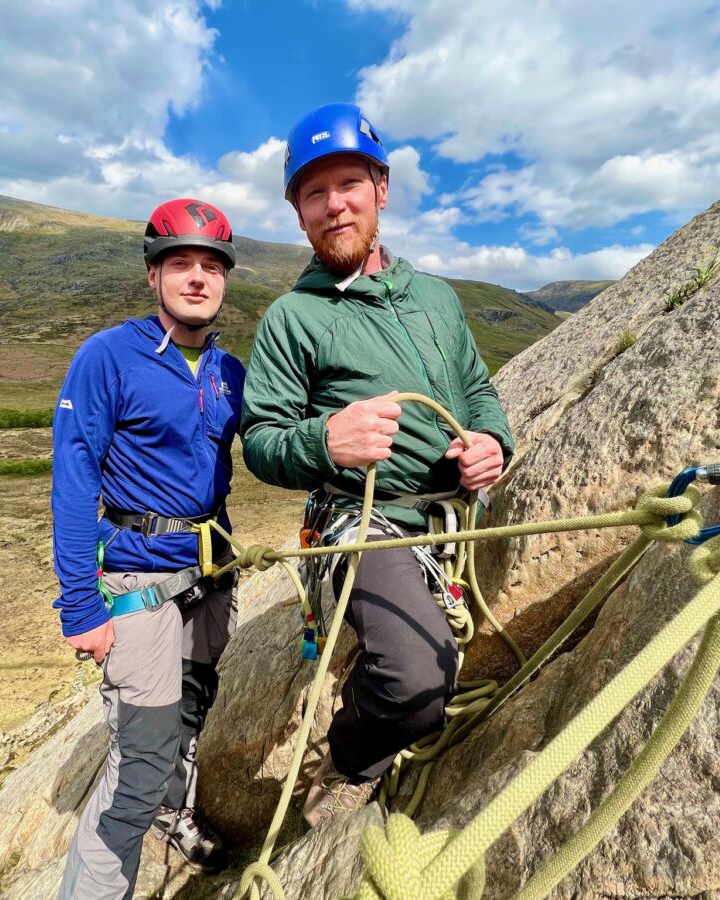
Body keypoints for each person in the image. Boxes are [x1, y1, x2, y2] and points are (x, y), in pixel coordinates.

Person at [240, 103, 515, 828]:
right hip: (364, 519)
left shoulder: (437, 298)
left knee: (430, 671)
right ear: (298, 213)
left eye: (349, 185)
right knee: (417, 679)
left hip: (453, 514)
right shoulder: (292, 319)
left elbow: (478, 388)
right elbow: (261, 439)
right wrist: (325, 442)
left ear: (381, 189)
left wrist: (492, 442)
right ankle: (350, 760)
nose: (335, 206)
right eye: (314, 193)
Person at [53, 198, 245, 898]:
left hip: (211, 576)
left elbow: (281, 444)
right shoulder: (108, 357)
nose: (197, 277)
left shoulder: (230, 372)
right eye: (181, 263)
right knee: (139, 760)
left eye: (211, 265)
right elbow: (73, 481)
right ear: (152, 275)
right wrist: (79, 605)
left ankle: (175, 811)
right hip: (137, 578)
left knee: (191, 711)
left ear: (224, 279)